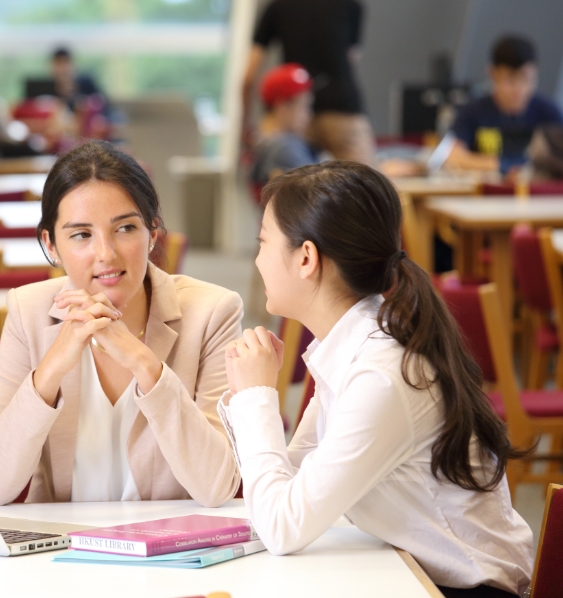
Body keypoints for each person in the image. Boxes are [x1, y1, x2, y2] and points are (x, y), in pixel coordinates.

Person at [221, 161, 533, 596]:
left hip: (464, 588)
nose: (256, 259)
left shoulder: (382, 375)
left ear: (306, 258)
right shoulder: (350, 349)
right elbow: (291, 482)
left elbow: (282, 526)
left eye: (263, 243)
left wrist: (256, 396)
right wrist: (247, 398)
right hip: (414, 573)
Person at [0, 141, 242, 507]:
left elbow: (217, 487)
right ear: (51, 245)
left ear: (153, 234)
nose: (106, 254)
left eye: (126, 228)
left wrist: (144, 364)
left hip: (168, 550)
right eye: (81, 235)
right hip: (61, 554)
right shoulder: (29, 310)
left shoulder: (213, 312)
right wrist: (50, 370)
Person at [245, 0, 374, 164]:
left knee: (296, 191)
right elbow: (349, 58)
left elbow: (249, 75)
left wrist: (246, 123)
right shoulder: (351, 5)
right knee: (368, 190)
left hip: (294, 114)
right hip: (342, 110)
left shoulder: (279, 3)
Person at [447, 35, 563, 174]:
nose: (519, 88)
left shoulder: (548, 112)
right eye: (510, 79)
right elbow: (453, 156)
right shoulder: (472, 111)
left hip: (535, 190)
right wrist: (500, 165)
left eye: (526, 79)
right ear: (492, 73)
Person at [251, 63, 319, 189]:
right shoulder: (285, 146)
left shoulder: (263, 142)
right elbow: (316, 194)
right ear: (282, 107)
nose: (309, 115)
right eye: (305, 106)